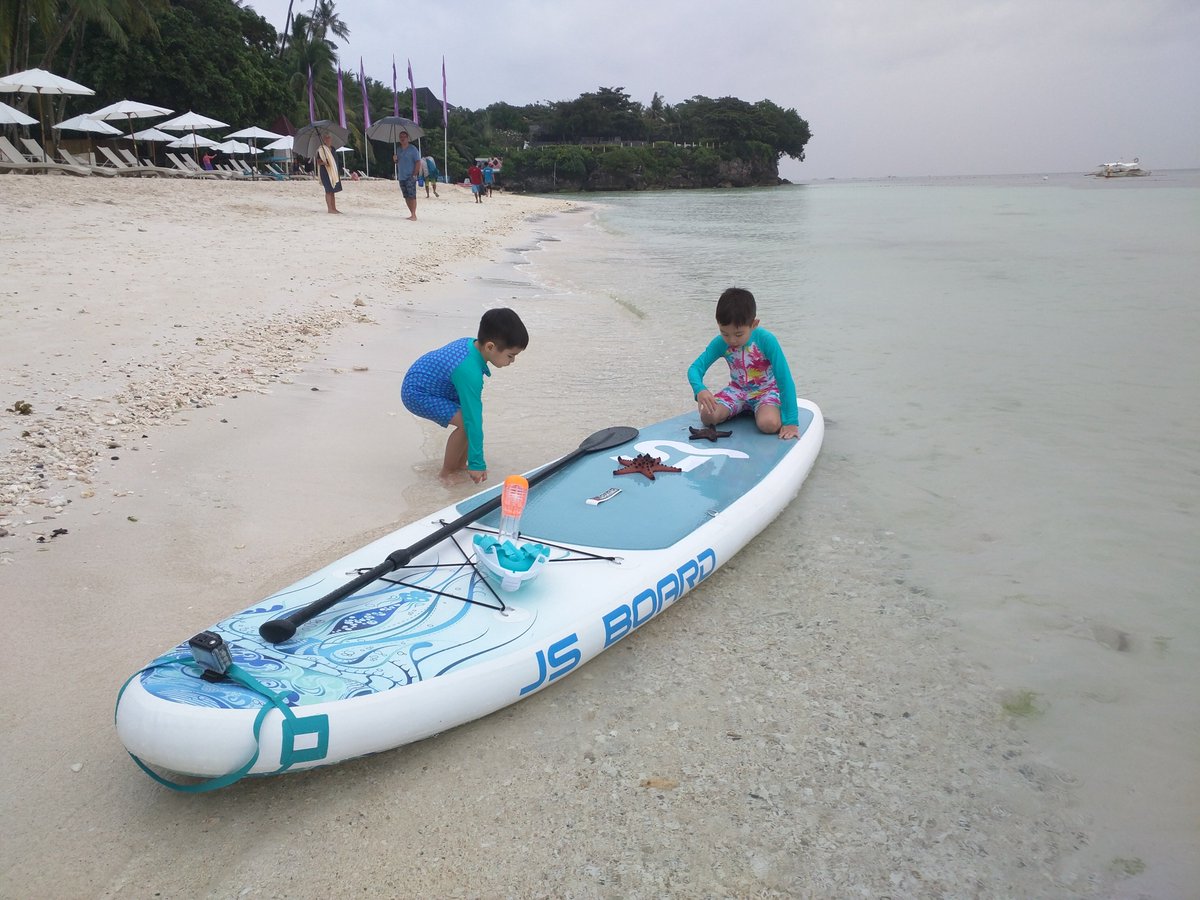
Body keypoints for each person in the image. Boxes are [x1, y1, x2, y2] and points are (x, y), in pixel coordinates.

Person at [401, 308, 528, 482]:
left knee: (468, 420)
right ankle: (447, 473)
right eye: (511, 355)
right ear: (490, 346)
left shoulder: (473, 345)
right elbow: (473, 419)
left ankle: (459, 465)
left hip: (435, 386)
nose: (512, 361)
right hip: (417, 392)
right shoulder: (469, 371)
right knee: (466, 422)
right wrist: (477, 463)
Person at [687, 287, 800, 439]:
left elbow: (784, 378)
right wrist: (700, 389)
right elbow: (695, 368)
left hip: (765, 391)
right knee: (707, 417)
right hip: (737, 391)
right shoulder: (721, 343)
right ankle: (741, 409)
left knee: (769, 424)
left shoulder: (766, 340)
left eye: (738, 334)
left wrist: (791, 421)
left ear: (754, 324)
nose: (732, 340)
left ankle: (766, 410)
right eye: (724, 333)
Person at [392, 130, 422, 221]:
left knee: (412, 195)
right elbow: (398, 163)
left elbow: (418, 162)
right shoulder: (398, 149)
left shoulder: (413, 149)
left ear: (407, 138)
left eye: (404, 137)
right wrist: (395, 160)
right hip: (401, 176)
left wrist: (414, 174)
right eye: (401, 137)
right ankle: (411, 213)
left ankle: (414, 214)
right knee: (406, 196)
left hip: (410, 175)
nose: (402, 138)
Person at [316, 133, 341, 214]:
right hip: (325, 172)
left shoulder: (333, 149)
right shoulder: (321, 149)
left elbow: (334, 161)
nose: (328, 139)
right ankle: (329, 209)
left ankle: (334, 208)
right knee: (328, 191)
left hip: (333, 172)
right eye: (326, 138)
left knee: (333, 190)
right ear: (324, 140)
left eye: (329, 138)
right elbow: (318, 162)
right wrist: (325, 162)